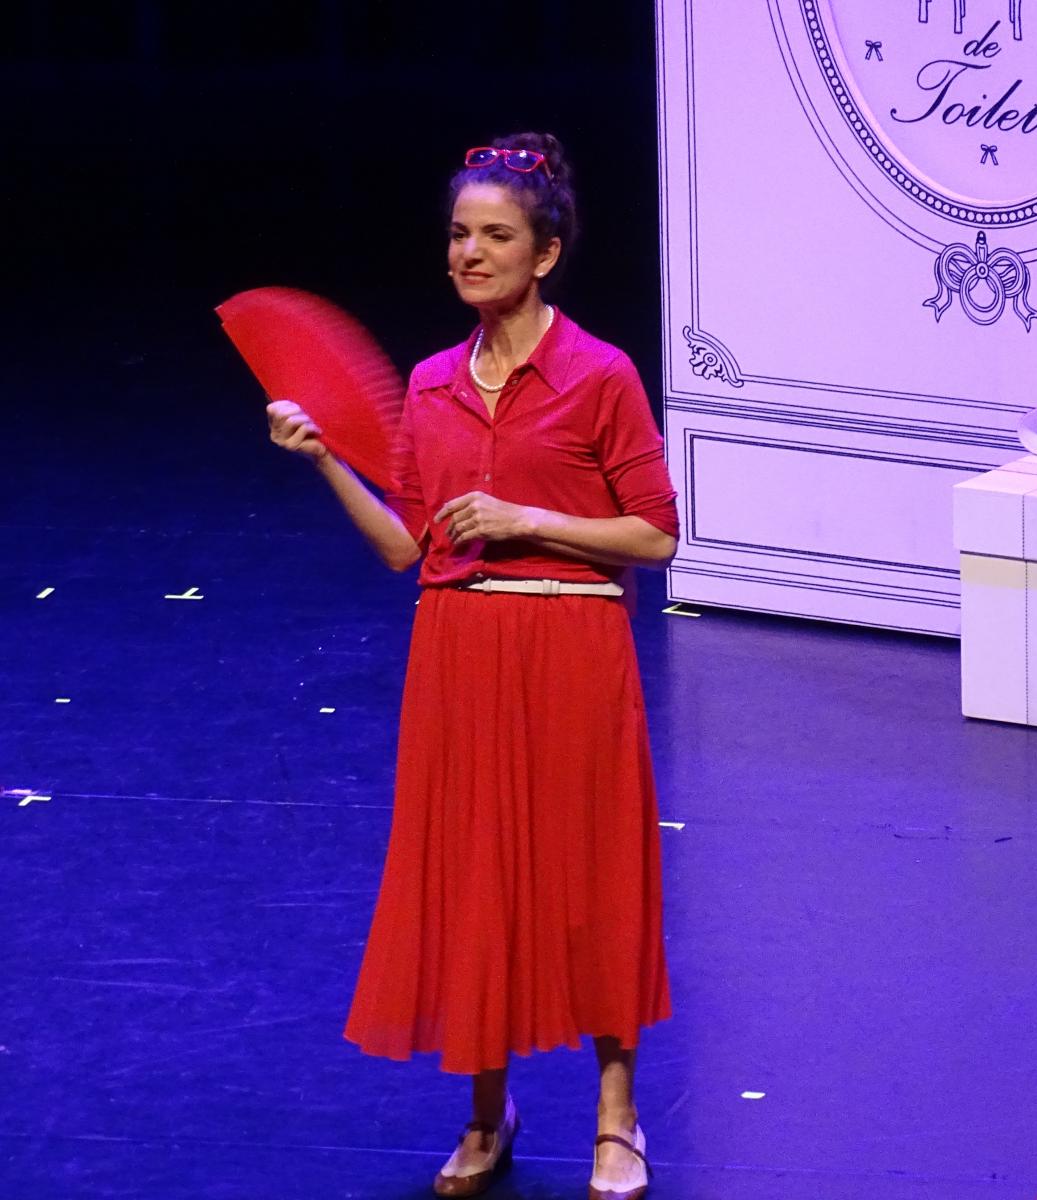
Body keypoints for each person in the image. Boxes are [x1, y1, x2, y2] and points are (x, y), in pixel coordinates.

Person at [267, 132, 676, 1200]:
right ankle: (488, 1114)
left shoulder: (599, 375)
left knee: (593, 879)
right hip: (459, 654)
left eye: (495, 236)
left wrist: (525, 517)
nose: (470, 253)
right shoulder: (434, 384)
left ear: (545, 253)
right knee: (476, 881)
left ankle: (617, 1117)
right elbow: (406, 547)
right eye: (459, 234)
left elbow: (654, 535)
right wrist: (326, 460)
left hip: (571, 646)